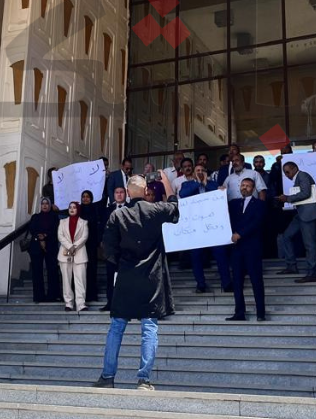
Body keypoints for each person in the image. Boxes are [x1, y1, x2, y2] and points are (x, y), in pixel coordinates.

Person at [92, 172, 177, 391]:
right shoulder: (155, 210)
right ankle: (143, 380)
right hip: (151, 279)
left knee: (116, 327)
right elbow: (175, 207)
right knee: (149, 328)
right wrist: (166, 182)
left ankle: (107, 377)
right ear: (146, 191)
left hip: (126, 277)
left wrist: (121, 263)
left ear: (128, 193)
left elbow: (107, 248)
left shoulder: (118, 215)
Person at [179, 164, 231, 293]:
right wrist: (197, 182)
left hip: (213, 226)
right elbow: (183, 194)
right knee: (196, 256)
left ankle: (226, 283)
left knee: (220, 254)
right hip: (196, 228)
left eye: (202, 170)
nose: (200, 172)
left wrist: (205, 183)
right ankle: (200, 284)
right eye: (198, 170)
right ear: (193, 173)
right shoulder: (187, 184)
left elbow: (219, 193)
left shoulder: (213, 184)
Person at [227, 177, 266, 322]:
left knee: (256, 280)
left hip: (252, 248)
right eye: (242, 185)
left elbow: (256, 222)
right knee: (237, 282)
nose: (244, 187)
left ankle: (260, 313)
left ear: (253, 188)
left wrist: (240, 234)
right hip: (237, 249)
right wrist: (220, 192)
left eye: (248, 186)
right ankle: (239, 312)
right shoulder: (234, 203)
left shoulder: (259, 204)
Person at [276, 161, 316, 283]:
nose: (287, 175)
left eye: (287, 172)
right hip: (301, 214)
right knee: (286, 237)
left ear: (294, 168)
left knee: (309, 244)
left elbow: (306, 193)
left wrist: (288, 198)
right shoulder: (299, 177)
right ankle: (291, 266)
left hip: (308, 214)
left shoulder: (302, 175)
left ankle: (312, 273)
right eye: (285, 173)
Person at [100, 186, 129, 311]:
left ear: (126, 194)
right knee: (111, 276)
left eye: (121, 192)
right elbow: (103, 227)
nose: (119, 194)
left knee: (126, 277)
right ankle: (110, 303)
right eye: (117, 192)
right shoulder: (108, 210)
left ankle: (126, 303)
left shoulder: (131, 208)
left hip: (127, 249)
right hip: (112, 250)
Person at [28, 197, 61, 302]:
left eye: (47, 203)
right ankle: (39, 296)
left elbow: (56, 230)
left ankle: (53, 295)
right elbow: (32, 229)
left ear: (50, 205)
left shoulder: (54, 217)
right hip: (36, 246)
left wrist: (45, 236)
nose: (45, 205)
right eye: (43, 203)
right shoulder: (35, 217)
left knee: (52, 270)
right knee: (37, 271)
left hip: (51, 246)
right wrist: (40, 237)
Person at [58, 201, 90, 311]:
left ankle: (81, 304)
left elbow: (84, 237)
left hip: (80, 254)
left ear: (78, 209)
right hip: (65, 254)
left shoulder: (84, 222)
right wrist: (69, 246)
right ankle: (69, 303)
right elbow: (60, 236)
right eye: (70, 207)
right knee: (66, 280)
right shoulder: (62, 222)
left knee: (80, 279)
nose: (72, 209)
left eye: (74, 207)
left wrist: (74, 246)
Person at [79, 190, 103, 303]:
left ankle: (92, 294)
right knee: (81, 269)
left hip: (92, 243)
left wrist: (98, 241)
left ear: (91, 198)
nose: (85, 198)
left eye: (87, 196)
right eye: (83, 196)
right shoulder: (78, 210)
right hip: (80, 245)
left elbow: (98, 226)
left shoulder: (96, 210)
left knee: (92, 268)